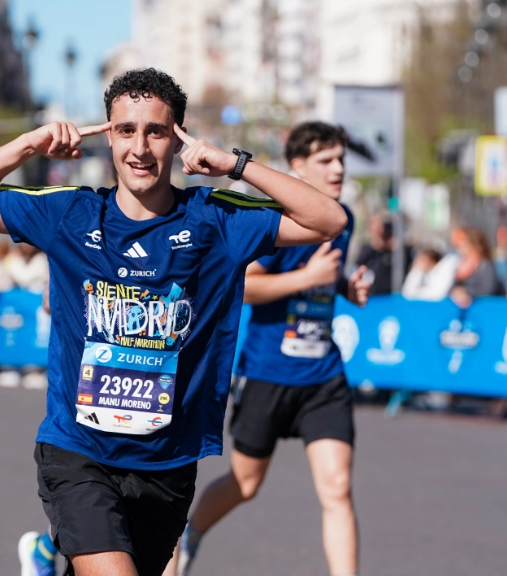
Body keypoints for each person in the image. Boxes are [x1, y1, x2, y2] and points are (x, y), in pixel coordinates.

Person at [0, 68, 347, 576]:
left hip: (167, 467)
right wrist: (29, 145)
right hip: (78, 452)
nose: (140, 148)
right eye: (125, 130)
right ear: (108, 136)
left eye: (156, 131)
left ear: (179, 137)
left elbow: (329, 220)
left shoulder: (215, 219)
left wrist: (235, 165)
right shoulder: (71, 213)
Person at [167, 122, 370, 576]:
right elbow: (248, 288)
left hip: (323, 376)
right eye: (325, 160)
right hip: (267, 372)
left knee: (337, 487)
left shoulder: (343, 219)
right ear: (298, 166)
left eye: (341, 159)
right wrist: (307, 278)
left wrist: (343, 287)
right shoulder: (273, 219)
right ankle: (191, 534)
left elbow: (322, 276)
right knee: (246, 482)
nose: (337, 168)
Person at [449, 227, 504, 308]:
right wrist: (457, 293)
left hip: (487, 309)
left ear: (474, 246)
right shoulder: (460, 267)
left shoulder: (485, 264)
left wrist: (467, 292)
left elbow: (488, 289)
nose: (460, 250)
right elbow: (452, 287)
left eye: (464, 246)